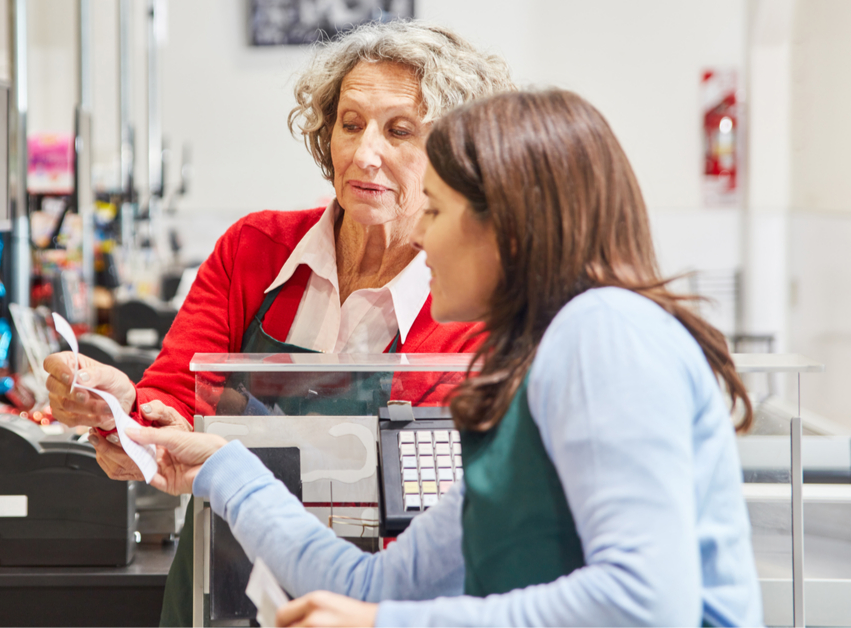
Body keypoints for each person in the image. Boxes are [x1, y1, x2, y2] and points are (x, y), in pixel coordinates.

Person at [128, 89, 765, 627]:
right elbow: (371, 584)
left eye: (435, 209)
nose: (420, 234)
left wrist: (387, 626)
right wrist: (222, 468)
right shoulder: (534, 370)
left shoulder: (604, 330)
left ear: (507, 228)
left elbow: (645, 603)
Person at [43, 20, 516, 626]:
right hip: (220, 582)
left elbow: (448, 513)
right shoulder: (254, 250)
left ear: (453, 156)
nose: (363, 152)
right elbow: (171, 402)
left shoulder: (472, 305)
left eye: (399, 131)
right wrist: (119, 410)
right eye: (349, 124)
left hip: (370, 601)